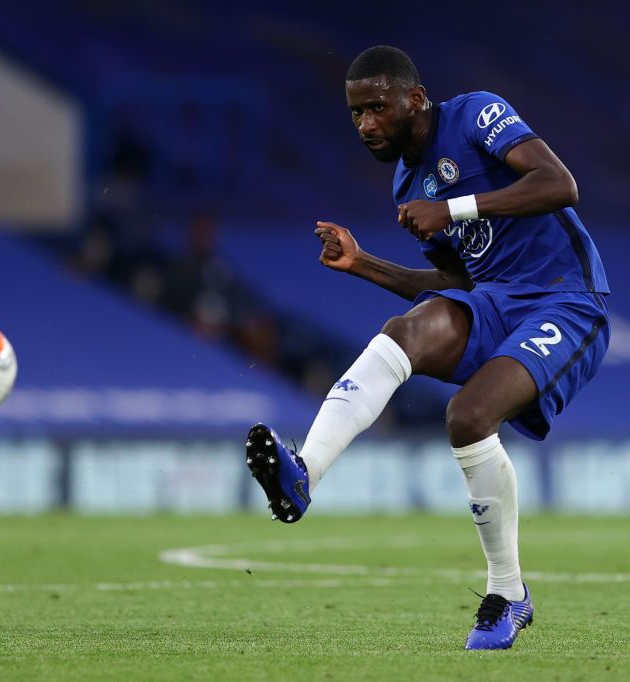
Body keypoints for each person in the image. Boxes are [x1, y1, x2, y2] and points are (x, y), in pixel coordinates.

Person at [245, 45, 610, 650]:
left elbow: (559, 184)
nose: (366, 124)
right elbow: (458, 284)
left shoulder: (476, 116)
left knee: (468, 416)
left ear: (415, 99)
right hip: (494, 300)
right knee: (402, 332)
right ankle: (304, 472)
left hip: (565, 299)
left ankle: (507, 593)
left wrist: (454, 207)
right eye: (356, 113)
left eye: (378, 108)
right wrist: (363, 264)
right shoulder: (407, 182)